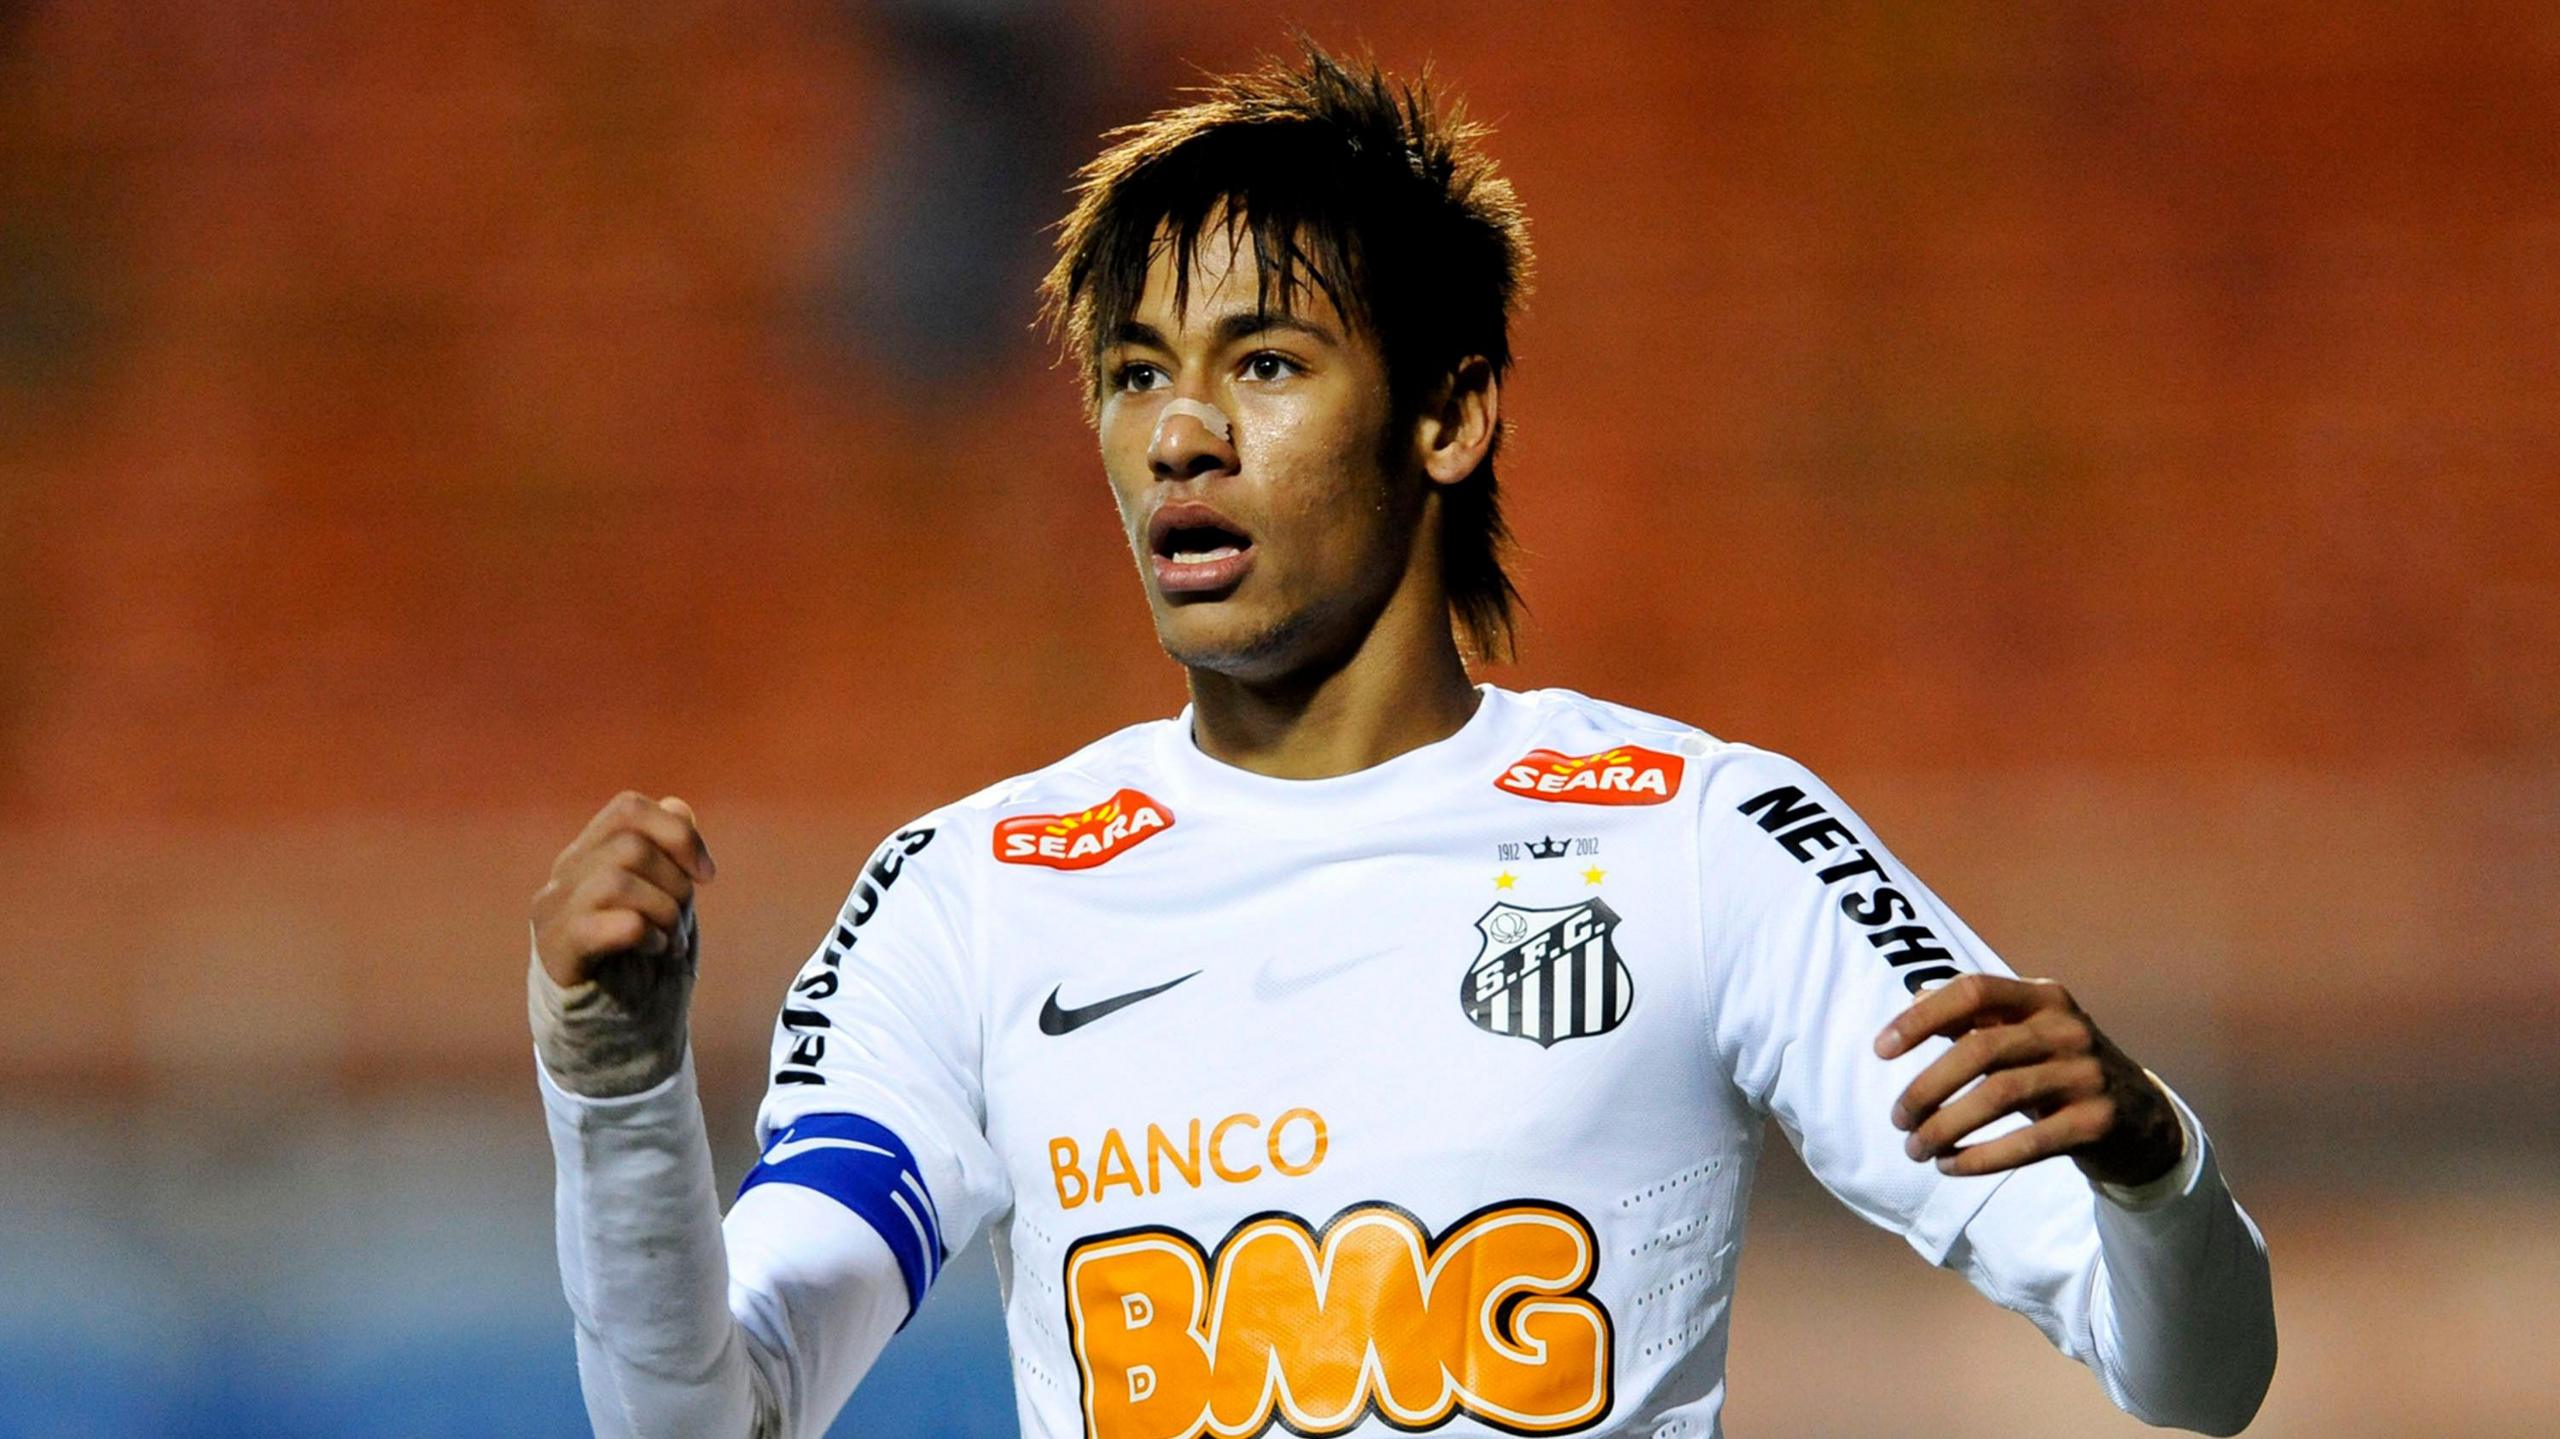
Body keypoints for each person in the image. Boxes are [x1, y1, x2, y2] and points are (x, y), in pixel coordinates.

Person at [526, 41, 2276, 1439]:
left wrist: (2152, 1162)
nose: (1181, 434)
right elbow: (703, 1424)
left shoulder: (1694, 837)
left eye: (1264, 363)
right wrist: (612, 1080)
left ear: (1448, 409)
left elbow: (2199, 1380)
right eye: (1134, 375)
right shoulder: (974, 896)